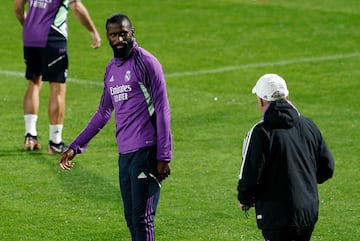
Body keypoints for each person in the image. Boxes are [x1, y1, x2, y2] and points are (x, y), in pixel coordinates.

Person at [58, 13, 172, 241]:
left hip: (146, 151)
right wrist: (75, 147)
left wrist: (164, 156)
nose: (119, 39)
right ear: (108, 36)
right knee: (131, 218)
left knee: (143, 219)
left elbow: (162, 109)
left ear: (132, 33)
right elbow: (103, 112)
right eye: (114, 35)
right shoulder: (111, 69)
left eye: (123, 33)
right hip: (125, 155)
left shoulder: (146, 63)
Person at [237, 73, 335, 241]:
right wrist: (304, 182)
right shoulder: (309, 125)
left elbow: (250, 175)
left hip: (276, 217)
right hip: (307, 213)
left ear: (260, 101)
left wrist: (244, 199)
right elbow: (327, 168)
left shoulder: (261, 132)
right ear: (287, 97)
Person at [14, 0, 101, 153]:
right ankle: (55, 142)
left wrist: (29, 26)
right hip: (52, 36)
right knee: (58, 87)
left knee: (34, 82)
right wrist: (93, 31)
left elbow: (18, 8)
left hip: (30, 36)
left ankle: (30, 136)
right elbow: (76, 7)